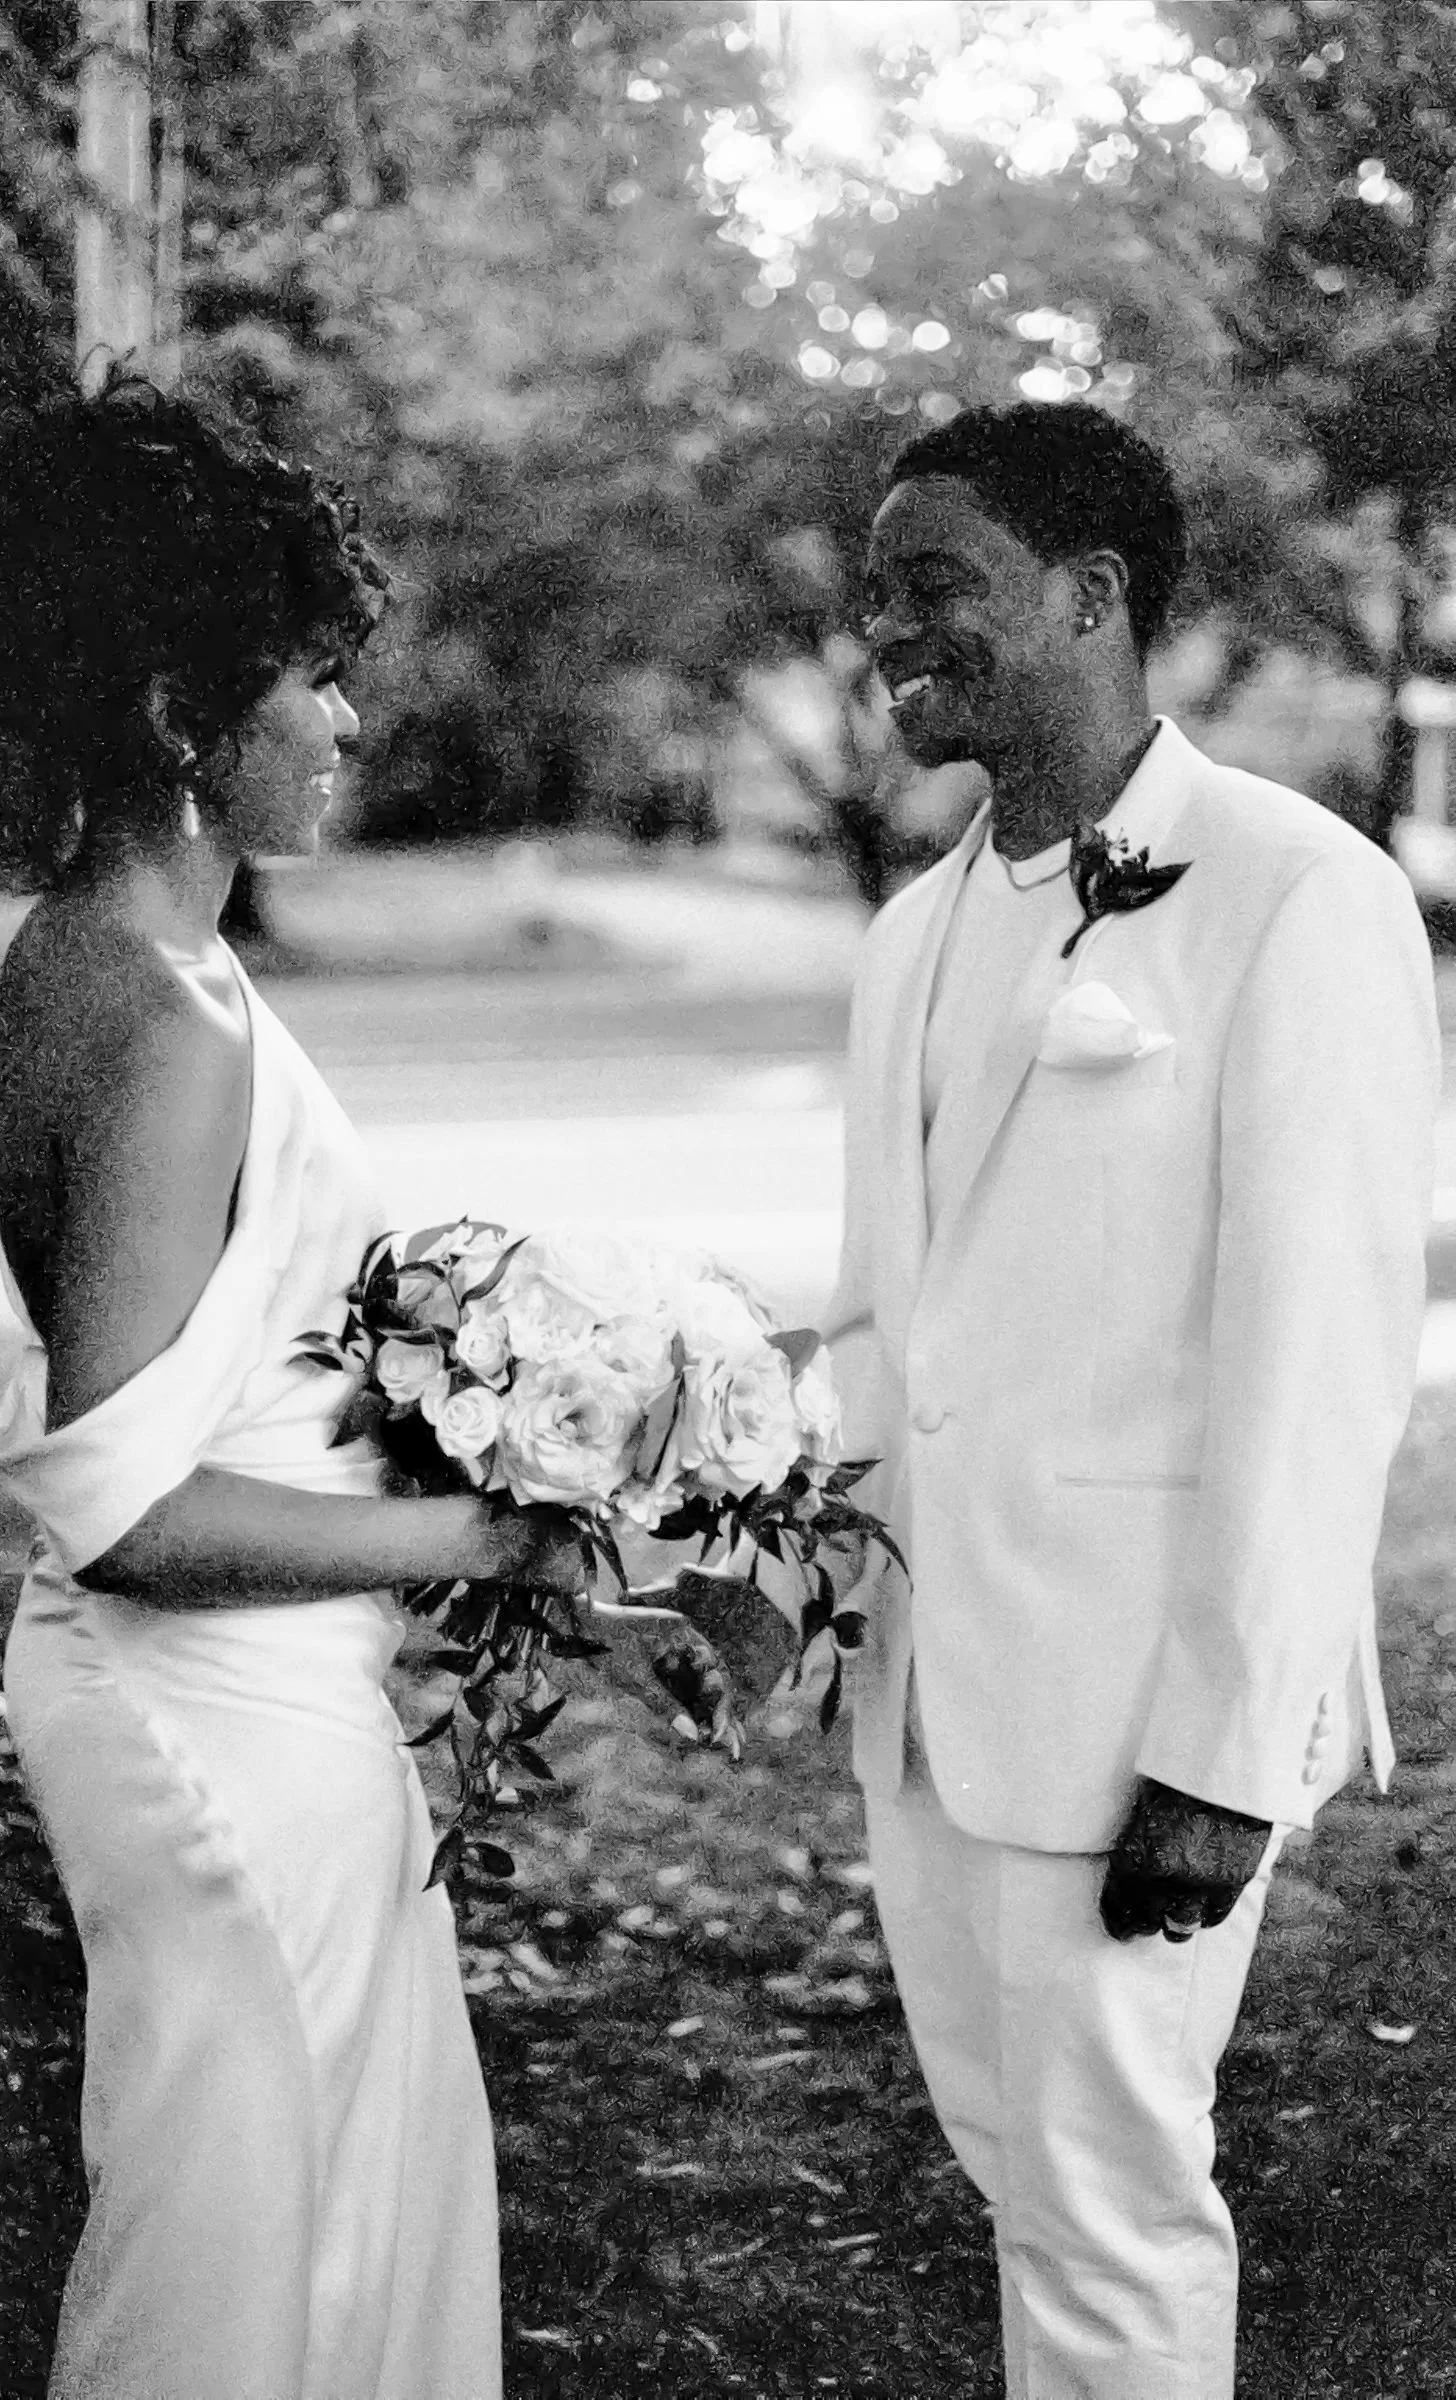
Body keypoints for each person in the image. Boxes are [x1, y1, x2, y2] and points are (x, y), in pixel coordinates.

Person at [0, 372, 582, 2400]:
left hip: (263, 1681)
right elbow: (122, 1505)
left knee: (325, 2199)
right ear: (179, 712)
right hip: (200, 1710)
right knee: (235, 2234)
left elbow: (213, 1369)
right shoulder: (163, 1018)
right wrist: (489, 1529)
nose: (351, 722)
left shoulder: (90, 950)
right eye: (310, 676)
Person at [823, 399, 1439, 2399]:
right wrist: (783, 1569)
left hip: (1125, 1706)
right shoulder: (910, 936)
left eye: (936, 587)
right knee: (1020, 2183)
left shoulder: (1291, 890)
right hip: (925, 1692)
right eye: (873, 590)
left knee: (1106, 2214)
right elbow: (881, 1325)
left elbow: (1318, 1347)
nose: (881, 628)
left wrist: (1222, 1744)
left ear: (1090, 598)